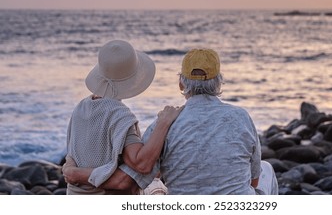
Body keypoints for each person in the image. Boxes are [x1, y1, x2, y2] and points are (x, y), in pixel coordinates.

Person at [64, 48, 278, 194]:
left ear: (181, 84)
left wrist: (76, 174)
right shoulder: (241, 117)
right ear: (219, 82)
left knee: (155, 186)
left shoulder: (164, 124)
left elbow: (128, 179)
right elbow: (253, 180)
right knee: (266, 169)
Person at [63, 39, 182, 195]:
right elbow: (141, 164)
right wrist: (164, 123)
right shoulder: (119, 115)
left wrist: (73, 172)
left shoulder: (80, 107)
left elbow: (73, 156)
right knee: (158, 190)